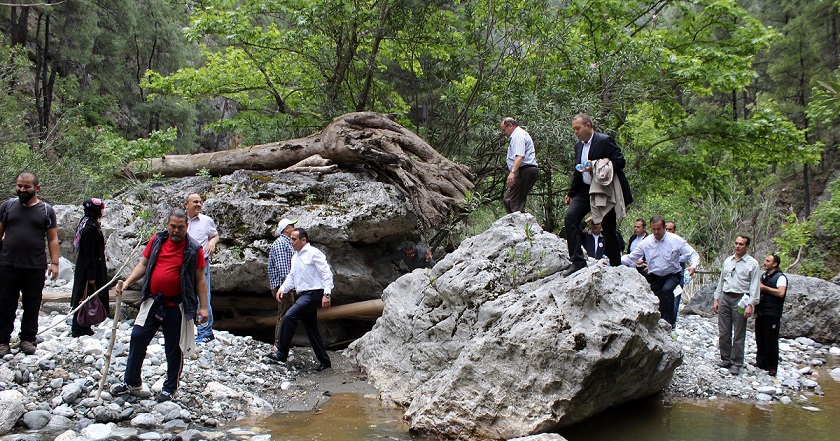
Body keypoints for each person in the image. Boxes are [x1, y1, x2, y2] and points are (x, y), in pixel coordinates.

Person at [110, 209, 209, 402]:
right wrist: (128, 282)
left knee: (174, 347)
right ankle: (132, 382)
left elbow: (200, 279)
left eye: (180, 227)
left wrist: (203, 307)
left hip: (177, 305)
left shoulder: (193, 248)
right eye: (173, 226)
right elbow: (143, 264)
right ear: (167, 225)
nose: (176, 230)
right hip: (153, 300)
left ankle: (170, 388)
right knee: (138, 336)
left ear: (187, 227)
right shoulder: (157, 240)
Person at [563, 114, 633, 276]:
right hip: (584, 190)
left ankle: (616, 266)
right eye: (574, 129)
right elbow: (577, 170)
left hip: (602, 190)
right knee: (570, 218)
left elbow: (620, 162)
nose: (576, 132)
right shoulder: (578, 146)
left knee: (609, 230)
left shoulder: (604, 140)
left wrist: (596, 165)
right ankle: (578, 261)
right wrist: (571, 192)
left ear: (588, 126)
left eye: (578, 128)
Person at [0, 172, 59, 356]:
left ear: (37, 188)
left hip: (34, 266)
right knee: (5, 303)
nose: (22, 190)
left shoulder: (46, 210)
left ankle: (27, 339)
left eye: (26, 187)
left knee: (32, 304)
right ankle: (2, 341)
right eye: (19, 186)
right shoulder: (7, 206)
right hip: (8, 264)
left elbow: (52, 238)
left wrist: (55, 263)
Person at [269, 228, 333, 372]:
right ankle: (325, 361)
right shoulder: (295, 256)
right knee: (311, 329)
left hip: (314, 293)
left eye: (294, 239)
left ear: (303, 240)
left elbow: (326, 273)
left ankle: (281, 353)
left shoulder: (314, 253)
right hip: (304, 293)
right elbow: (292, 276)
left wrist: (327, 293)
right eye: (290, 239)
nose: (291, 242)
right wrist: (283, 289)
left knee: (289, 316)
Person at [621, 216, 698, 327]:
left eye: (659, 229)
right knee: (656, 299)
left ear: (664, 228)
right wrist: (613, 261)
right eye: (654, 229)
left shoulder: (675, 240)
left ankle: (669, 322)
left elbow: (692, 254)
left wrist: (693, 266)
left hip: (672, 274)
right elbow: (631, 257)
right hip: (655, 276)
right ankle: (657, 323)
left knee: (667, 291)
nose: (656, 232)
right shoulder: (646, 242)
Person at [713, 235, 760, 376]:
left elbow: (754, 286)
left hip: (741, 299)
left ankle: (736, 362)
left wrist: (751, 304)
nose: (737, 246)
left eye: (741, 244)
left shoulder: (753, 264)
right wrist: (716, 298)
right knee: (724, 331)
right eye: (736, 243)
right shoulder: (728, 261)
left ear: (747, 247)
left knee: (739, 333)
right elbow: (721, 280)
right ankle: (725, 358)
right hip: (726, 297)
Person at [70, 198, 109, 337]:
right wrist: (92, 276)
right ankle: (78, 327)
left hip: (85, 267)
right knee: (85, 296)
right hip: (90, 268)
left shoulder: (86, 222)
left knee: (84, 295)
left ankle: (84, 326)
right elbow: (90, 254)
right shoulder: (90, 228)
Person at [185, 193, 219, 343]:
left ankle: (205, 332)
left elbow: (215, 235)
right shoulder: (181, 220)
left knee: (203, 298)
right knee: (185, 296)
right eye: (195, 202)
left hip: (201, 263)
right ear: (186, 204)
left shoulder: (206, 221)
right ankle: (185, 330)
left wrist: (212, 242)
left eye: (200, 202)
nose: (199, 204)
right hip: (183, 264)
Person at [755, 253, 787, 376]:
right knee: (760, 338)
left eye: (768, 261)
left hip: (773, 312)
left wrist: (765, 288)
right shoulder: (764, 275)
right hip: (761, 311)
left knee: (771, 340)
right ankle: (761, 362)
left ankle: (772, 367)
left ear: (775, 264)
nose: (765, 262)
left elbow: (780, 293)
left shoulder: (781, 277)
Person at [268, 218, 297, 349]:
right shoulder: (281, 244)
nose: (294, 228)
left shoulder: (286, 243)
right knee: (284, 314)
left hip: (285, 285)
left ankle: (283, 342)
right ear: (286, 229)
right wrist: (288, 286)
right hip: (283, 285)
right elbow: (283, 268)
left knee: (287, 313)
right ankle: (279, 344)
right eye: (292, 226)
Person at [500, 117, 538, 214]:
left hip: (526, 170)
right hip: (522, 171)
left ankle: (519, 226)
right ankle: (517, 223)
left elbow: (519, 156)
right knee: (510, 199)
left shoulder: (518, 135)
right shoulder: (517, 135)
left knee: (512, 200)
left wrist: (512, 173)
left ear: (511, 126)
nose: (503, 133)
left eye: (504, 130)